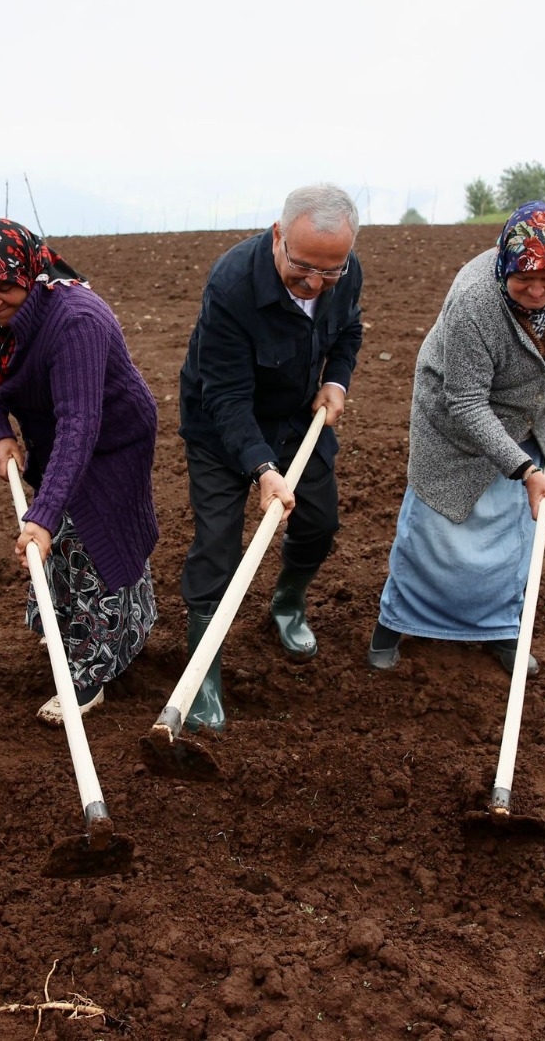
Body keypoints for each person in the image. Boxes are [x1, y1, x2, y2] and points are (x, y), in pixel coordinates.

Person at [366, 201, 545, 673]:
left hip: (527, 411)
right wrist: (527, 470)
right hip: (455, 417)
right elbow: (466, 404)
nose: (537, 291)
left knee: (510, 531)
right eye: (524, 280)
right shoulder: (474, 304)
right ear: (504, 266)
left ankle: (501, 628)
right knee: (434, 531)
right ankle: (394, 622)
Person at [0, 218, 159, 726]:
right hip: (53, 427)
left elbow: (82, 422)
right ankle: (67, 622)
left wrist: (43, 517)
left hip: (113, 435)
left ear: (28, 272)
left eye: (4, 287)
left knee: (92, 539)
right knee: (60, 533)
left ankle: (89, 670)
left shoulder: (75, 320)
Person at [177, 184, 364, 731]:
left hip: (296, 418)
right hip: (221, 424)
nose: (315, 283)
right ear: (279, 236)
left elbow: (349, 329)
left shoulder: (342, 270)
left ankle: (287, 604)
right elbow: (226, 397)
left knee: (319, 523)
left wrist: (336, 379)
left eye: (329, 273)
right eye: (303, 268)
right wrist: (262, 470)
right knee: (217, 541)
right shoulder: (233, 284)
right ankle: (203, 670)